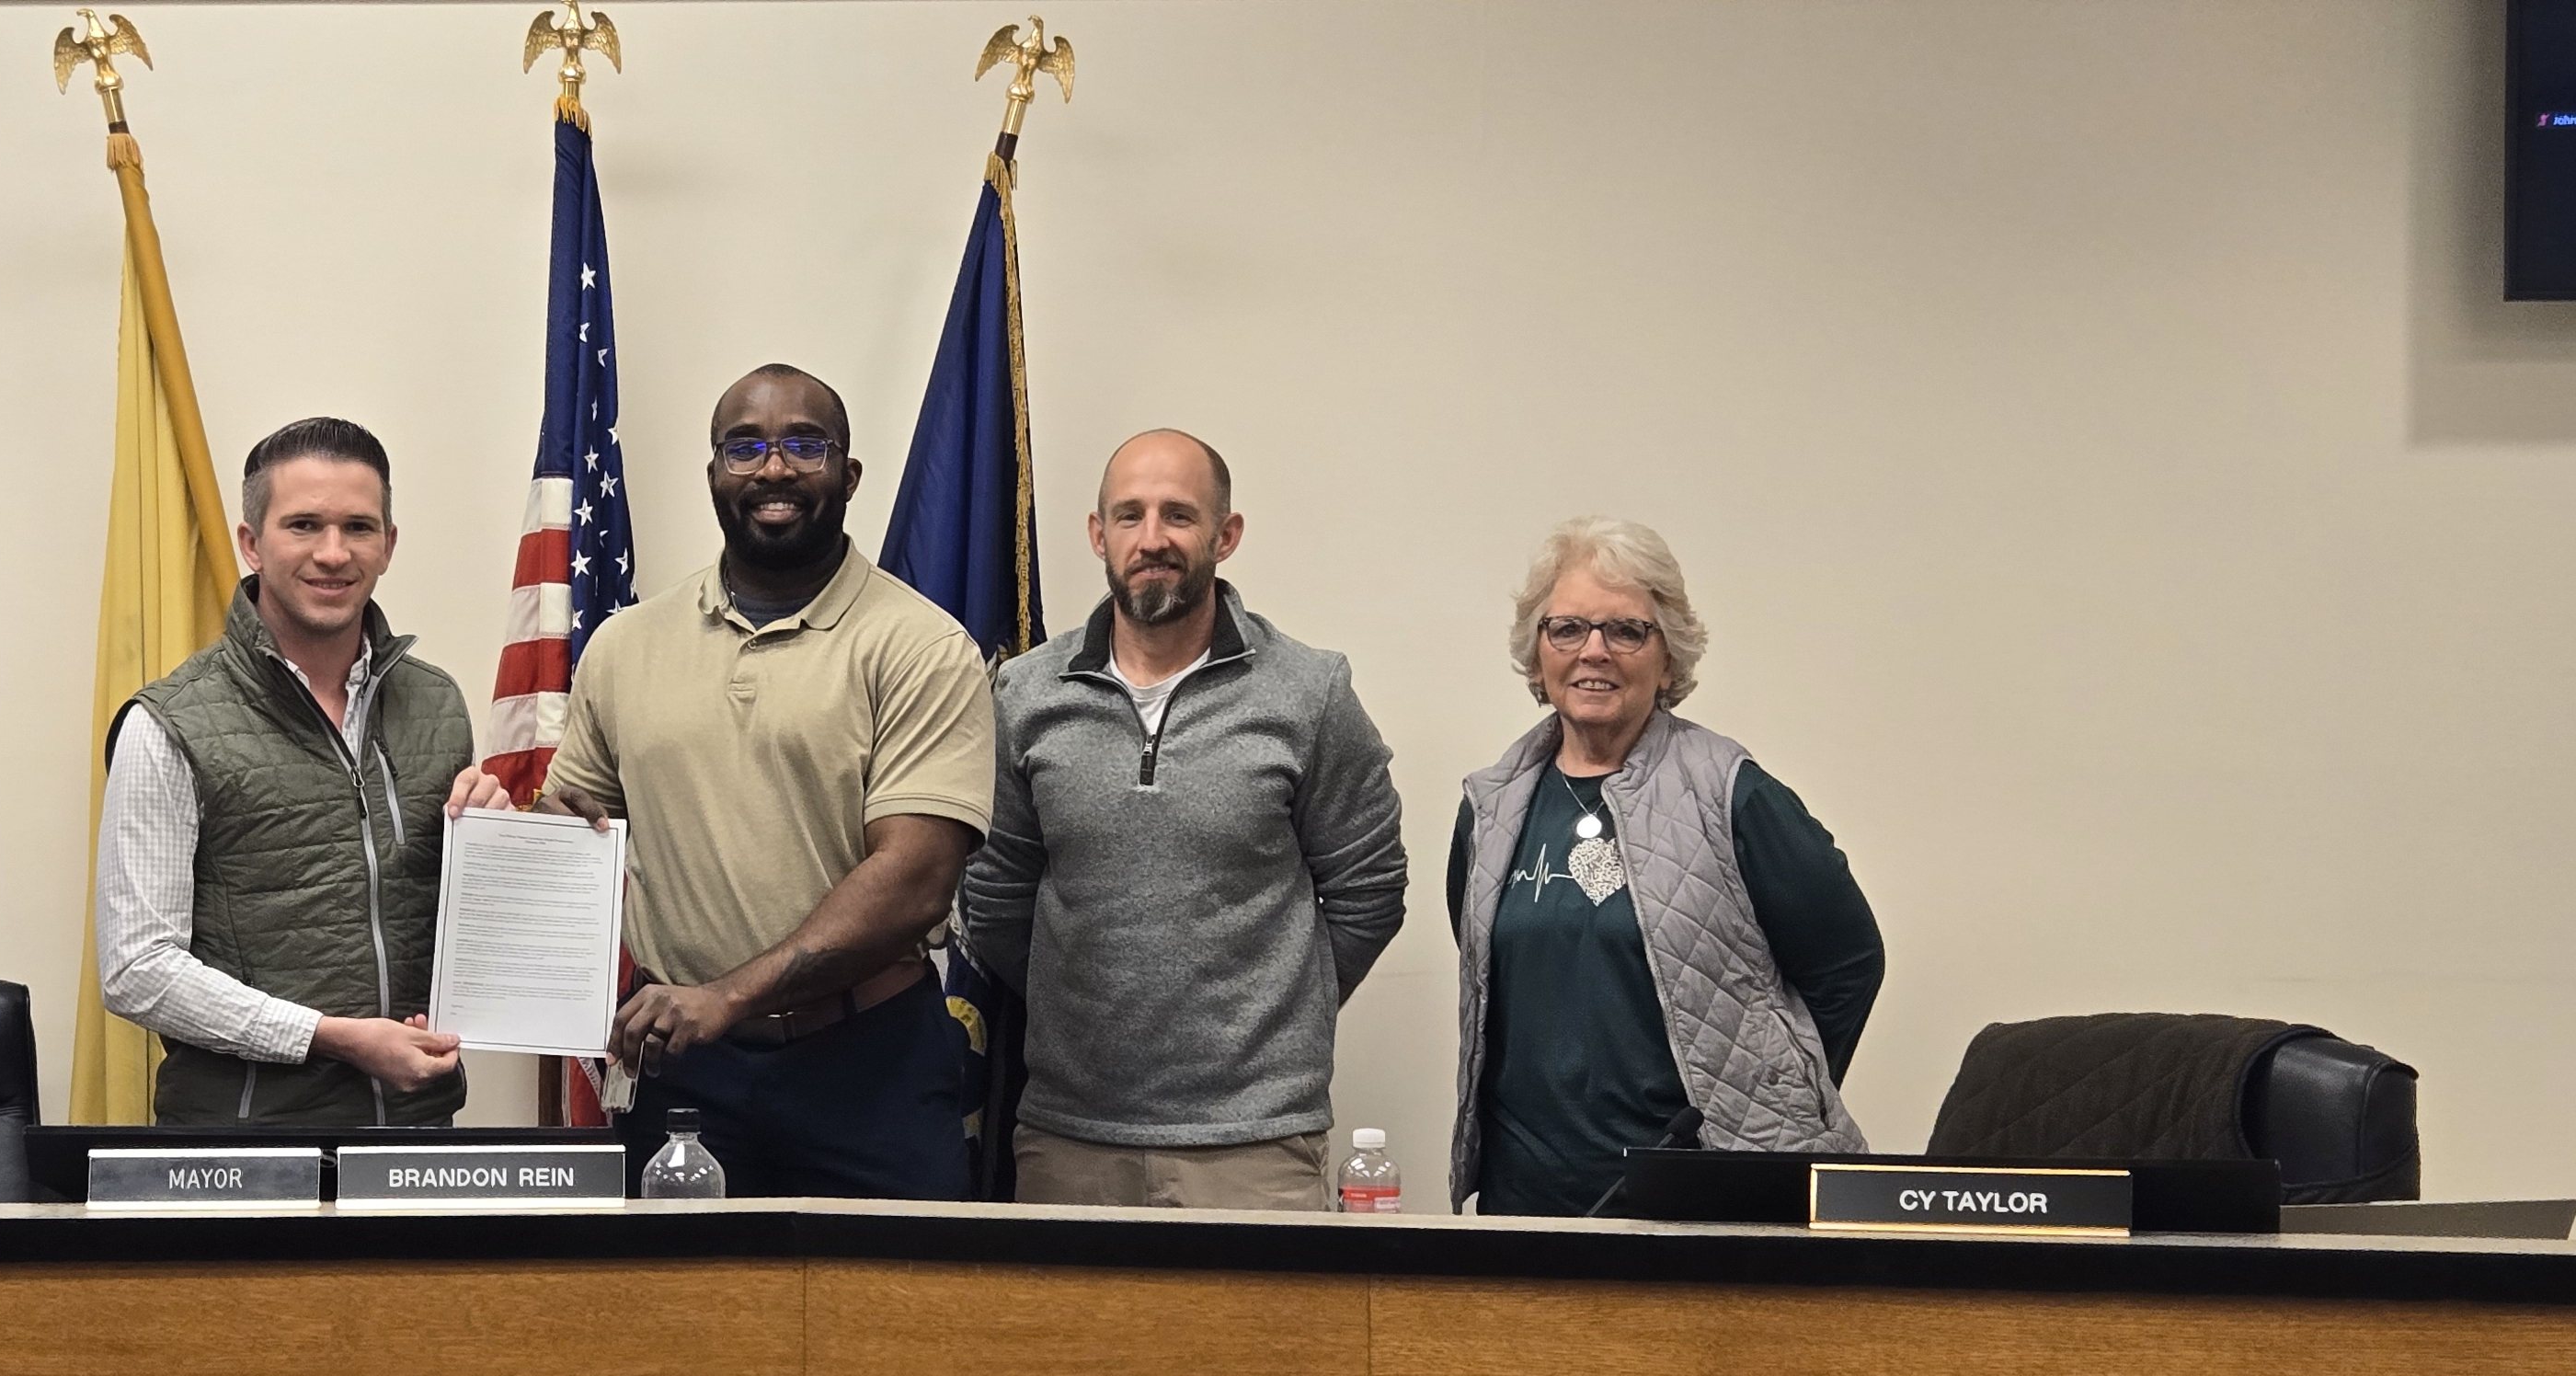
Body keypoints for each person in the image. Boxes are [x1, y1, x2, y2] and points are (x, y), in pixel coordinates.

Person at [448, 364, 995, 1199]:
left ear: (848, 475)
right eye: (744, 448)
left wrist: (727, 996)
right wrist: (507, 830)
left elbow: (916, 881)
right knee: (679, 1323)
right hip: (685, 1078)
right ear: (713, 475)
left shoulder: (921, 647)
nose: (773, 469)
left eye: (803, 445)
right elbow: (576, 832)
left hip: (869, 1065)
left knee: (894, 1321)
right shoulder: (627, 646)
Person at [961, 429, 1408, 1210]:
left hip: (1257, 1143)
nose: (1153, 539)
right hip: (1072, 1138)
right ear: (1098, 535)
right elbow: (996, 899)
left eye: (1179, 516)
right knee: (1069, 1339)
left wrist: (1269, 1009)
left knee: (1261, 1341)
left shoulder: (1310, 692)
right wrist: (1088, 1003)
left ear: (1224, 536)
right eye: (1129, 516)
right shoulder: (1025, 695)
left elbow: (1370, 890)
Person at [1449, 516, 1883, 1215]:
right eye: (1567, 629)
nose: (1595, 651)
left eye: (1626, 631)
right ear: (1538, 655)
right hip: (1528, 1197)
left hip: (1694, 1194)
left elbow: (1849, 963)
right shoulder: (1491, 807)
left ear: (1669, 658)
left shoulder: (1732, 793)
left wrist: (1769, 1098)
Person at [97, 417, 470, 1126]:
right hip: (244, 1149)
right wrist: (333, 1039)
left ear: (388, 546)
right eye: (303, 525)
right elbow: (136, 970)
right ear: (251, 543)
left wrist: (502, 843)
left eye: (358, 528)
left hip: (417, 1134)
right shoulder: (169, 723)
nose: (333, 553)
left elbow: (447, 923)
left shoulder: (438, 704)